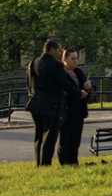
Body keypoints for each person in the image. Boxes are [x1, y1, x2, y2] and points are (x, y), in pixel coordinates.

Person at [25, 38, 83, 167]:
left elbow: (29, 82)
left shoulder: (34, 62)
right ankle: (45, 163)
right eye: (58, 50)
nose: (59, 53)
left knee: (39, 134)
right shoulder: (55, 65)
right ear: (51, 50)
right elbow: (65, 84)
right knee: (50, 135)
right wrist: (79, 93)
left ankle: (38, 163)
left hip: (35, 102)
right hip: (51, 104)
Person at [58, 48, 92, 166]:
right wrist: (78, 93)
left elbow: (86, 91)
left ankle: (74, 160)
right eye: (72, 59)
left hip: (79, 110)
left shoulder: (78, 72)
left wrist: (87, 88)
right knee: (65, 137)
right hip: (66, 109)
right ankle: (65, 161)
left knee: (75, 138)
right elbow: (63, 90)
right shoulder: (61, 73)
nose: (75, 61)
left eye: (76, 58)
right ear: (64, 59)